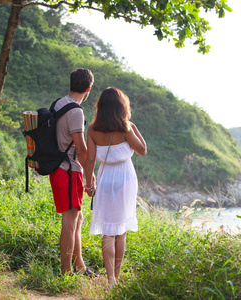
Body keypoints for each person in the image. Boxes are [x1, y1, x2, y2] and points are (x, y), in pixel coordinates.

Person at [84, 87, 147, 287]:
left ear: (100, 107)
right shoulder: (126, 128)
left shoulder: (93, 129)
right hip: (125, 177)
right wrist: (133, 128)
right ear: (122, 107)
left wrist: (88, 183)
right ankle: (116, 278)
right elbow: (142, 151)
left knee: (108, 231)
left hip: (105, 177)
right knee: (121, 230)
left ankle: (110, 277)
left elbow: (90, 160)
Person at [49, 68, 95, 276]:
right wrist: (89, 175)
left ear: (70, 85)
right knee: (69, 222)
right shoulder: (76, 111)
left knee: (78, 218)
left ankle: (79, 266)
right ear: (88, 89)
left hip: (60, 168)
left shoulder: (59, 103)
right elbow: (81, 148)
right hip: (68, 170)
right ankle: (66, 272)